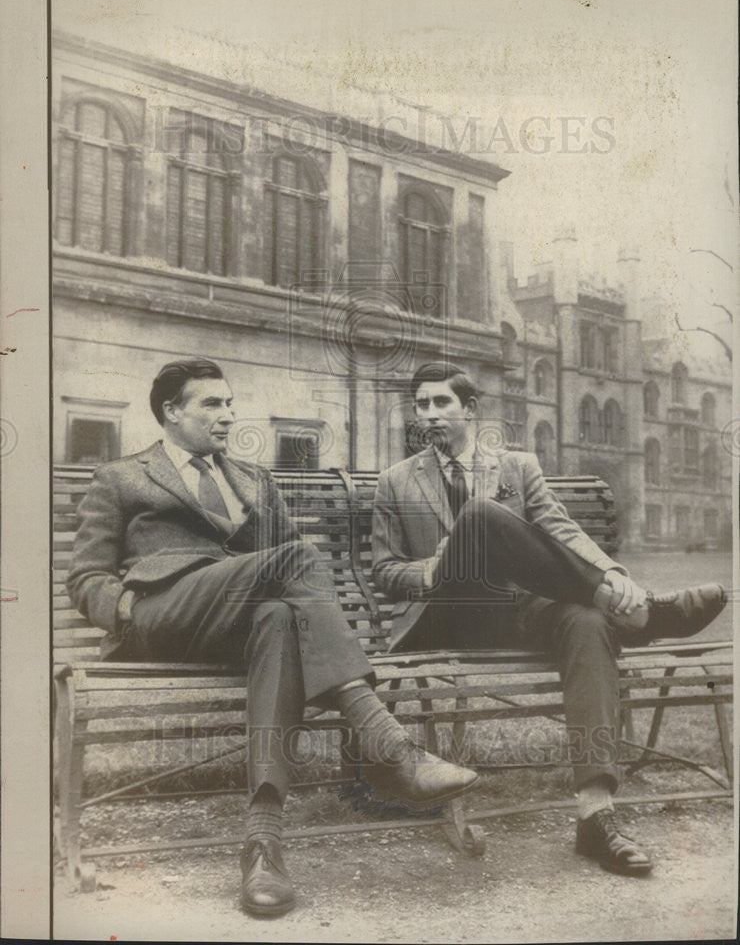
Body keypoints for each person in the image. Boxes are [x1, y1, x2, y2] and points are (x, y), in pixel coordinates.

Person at [67, 357, 477, 918]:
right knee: (297, 557)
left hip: (240, 624)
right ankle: (388, 744)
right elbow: (86, 576)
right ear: (171, 411)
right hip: (163, 614)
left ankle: (264, 844)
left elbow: (291, 573)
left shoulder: (252, 479)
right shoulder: (123, 477)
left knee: (281, 620)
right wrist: (125, 609)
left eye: (231, 404)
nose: (228, 416)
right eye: (212, 404)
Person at [372, 360, 727, 877]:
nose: (428, 414)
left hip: (523, 610)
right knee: (479, 516)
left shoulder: (517, 466)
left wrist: (610, 570)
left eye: (440, 403)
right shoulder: (396, 480)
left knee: (587, 624)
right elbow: (383, 569)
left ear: (470, 410)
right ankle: (643, 616)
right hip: (451, 615)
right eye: (421, 405)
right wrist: (432, 569)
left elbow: (561, 528)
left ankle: (595, 814)